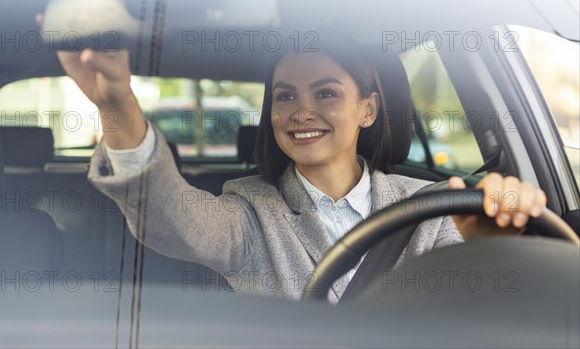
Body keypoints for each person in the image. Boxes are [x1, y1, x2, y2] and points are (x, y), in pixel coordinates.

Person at [57, 31, 547, 304]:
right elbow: (170, 217)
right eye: (285, 96)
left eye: (326, 93)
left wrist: (491, 246)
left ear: (368, 110)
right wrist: (117, 106)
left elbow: (472, 308)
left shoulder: (431, 208)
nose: (300, 112)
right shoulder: (250, 211)